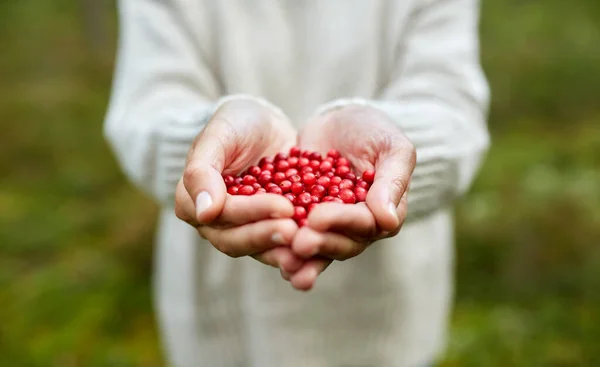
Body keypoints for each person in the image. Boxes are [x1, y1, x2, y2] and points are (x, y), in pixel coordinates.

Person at [104, 0, 489, 366]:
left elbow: (453, 113)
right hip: (221, 329)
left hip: (385, 327)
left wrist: (396, 155)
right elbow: (145, 109)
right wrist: (202, 147)